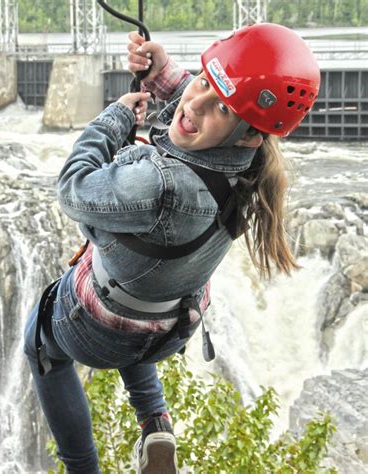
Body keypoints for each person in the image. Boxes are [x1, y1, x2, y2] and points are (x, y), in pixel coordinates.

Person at [24, 23, 320, 474]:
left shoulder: (158, 185)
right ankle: (155, 419)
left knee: (40, 338)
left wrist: (116, 117)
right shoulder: (253, 163)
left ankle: (82, 468)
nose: (194, 104)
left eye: (219, 106)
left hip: (99, 331)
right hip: (172, 327)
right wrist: (163, 73)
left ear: (249, 134)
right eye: (204, 80)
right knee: (135, 307)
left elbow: (73, 188)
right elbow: (204, 101)